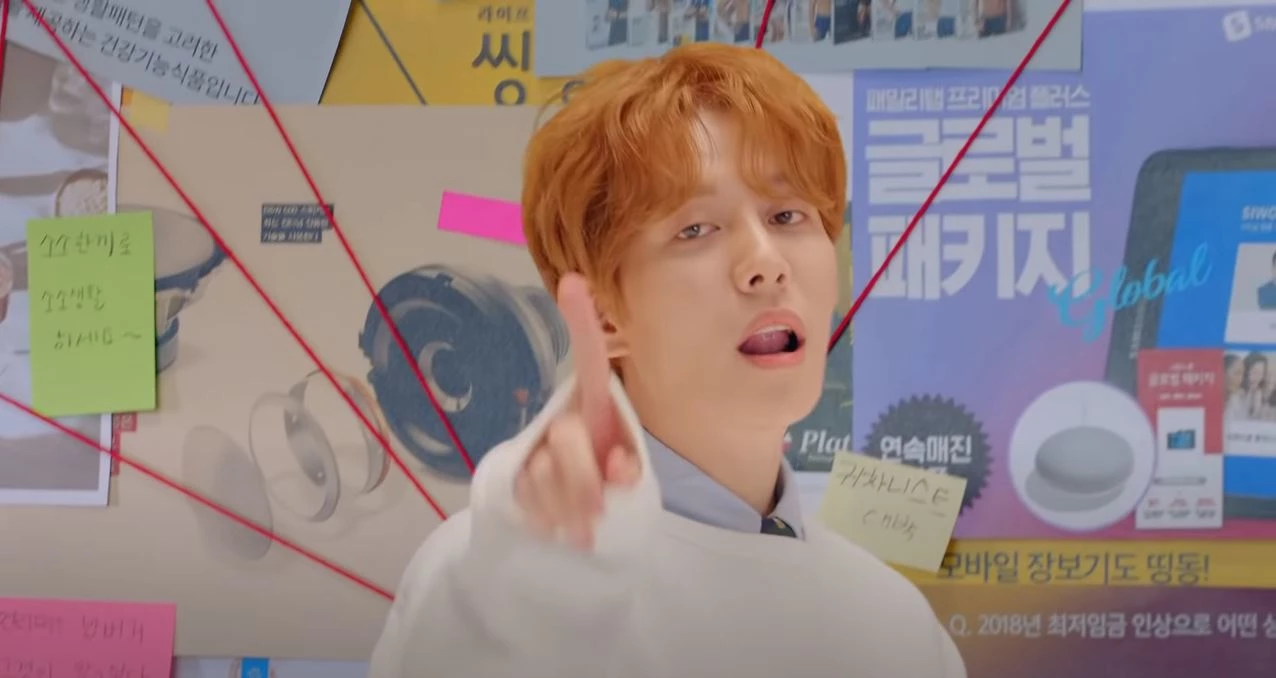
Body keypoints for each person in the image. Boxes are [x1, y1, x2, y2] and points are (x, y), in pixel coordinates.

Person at [368, 43, 966, 678]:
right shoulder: (493, 581)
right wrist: (523, 607)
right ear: (603, 315)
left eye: (787, 214)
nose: (766, 263)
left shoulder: (895, 624)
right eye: (695, 229)